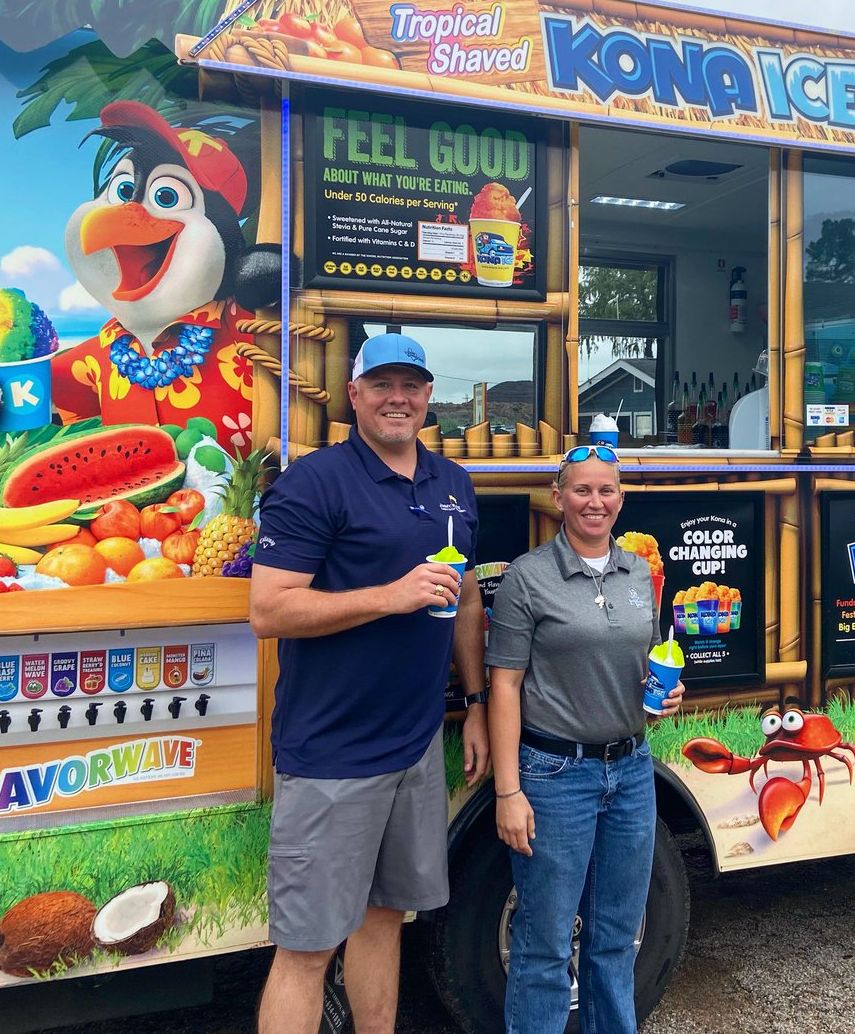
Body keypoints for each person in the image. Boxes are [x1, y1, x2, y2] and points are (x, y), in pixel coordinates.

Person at [249, 332, 490, 1034]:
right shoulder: (315, 482)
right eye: (381, 384)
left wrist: (475, 703)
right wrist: (391, 596)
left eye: (411, 385)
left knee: (385, 919)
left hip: (414, 748)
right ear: (353, 395)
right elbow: (269, 611)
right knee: (306, 949)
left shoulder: (453, 483)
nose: (397, 398)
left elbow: (466, 599)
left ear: (429, 396)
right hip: (331, 754)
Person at [486, 444, 684, 1034]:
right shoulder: (528, 577)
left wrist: (663, 695)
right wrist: (508, 792)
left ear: (620, 500)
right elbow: (504, 685)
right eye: (581, 490)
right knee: (544, 943)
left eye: (606, 490)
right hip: (554, 776)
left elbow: (642, 660)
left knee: (616, 939)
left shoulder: (640, 574)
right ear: (558, 498)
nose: (594, 502)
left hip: (631, 771)